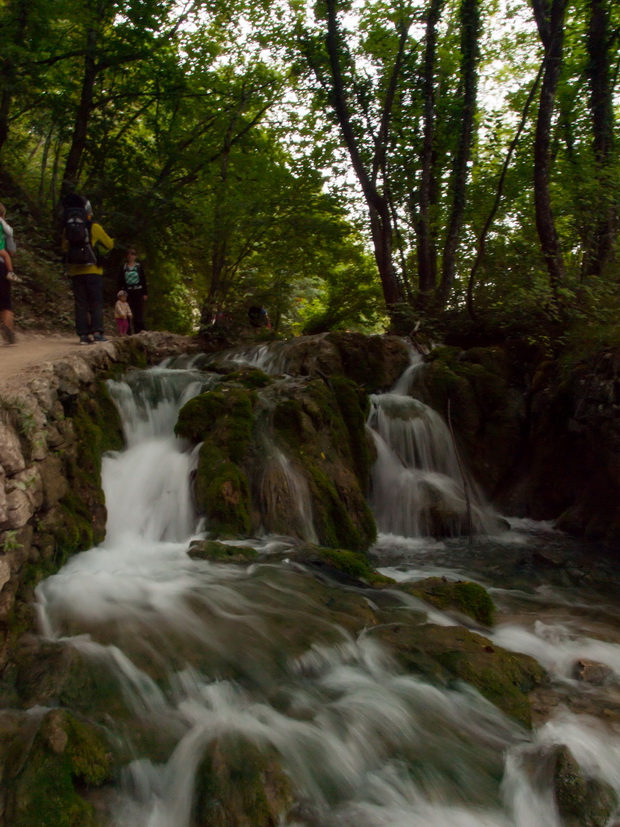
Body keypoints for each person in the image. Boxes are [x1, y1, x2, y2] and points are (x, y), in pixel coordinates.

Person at [62, 195, 114, 344]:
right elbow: (109, 245)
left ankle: (83, 335)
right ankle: (97, 333)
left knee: (80, 304)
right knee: (96, 302)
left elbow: (64, 247)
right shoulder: (94, 227)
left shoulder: (67, 229)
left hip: (75, 271)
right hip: (93, 271)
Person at [117, 247, 147, 333]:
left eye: (132, 254)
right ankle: (127, 331)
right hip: (127, 292)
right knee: (126, 311)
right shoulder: (123, 267)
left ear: (135, 256)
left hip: (138, 291)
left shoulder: (138, 267)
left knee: (138, 312)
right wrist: (120, 293)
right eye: (128, 254)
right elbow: (120, 281)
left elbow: (143, 280)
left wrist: (145, 293)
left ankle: (140, 331)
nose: (130, 256)